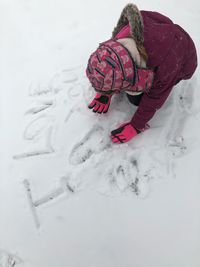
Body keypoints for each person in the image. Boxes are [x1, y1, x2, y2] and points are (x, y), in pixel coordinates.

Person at [86, 3, 197, 144]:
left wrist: (135, 126)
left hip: (182, 62)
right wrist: (106, 90)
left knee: (136, 100)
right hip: (159, 35)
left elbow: (154, 99)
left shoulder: (166, 65)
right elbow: (110, 64)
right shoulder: (120, 37)